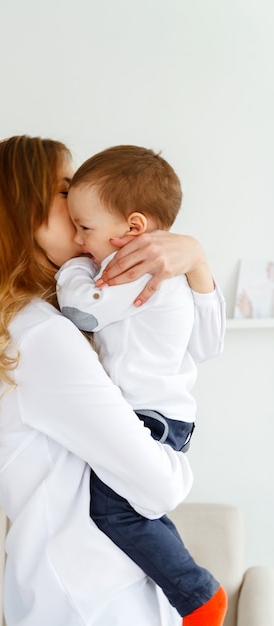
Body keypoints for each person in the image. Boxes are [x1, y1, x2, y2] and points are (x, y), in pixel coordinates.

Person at [0, 135, 226, 626]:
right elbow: (158, 488)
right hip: (92, 598)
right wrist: (175, 460)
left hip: (78, 588)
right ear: (22, 213)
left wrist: (194, 259)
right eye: (64, 190)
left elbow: (194, 341)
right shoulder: (43, 335)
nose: (80, 205)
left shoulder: (33, 324)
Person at [55, 145, 227, 625]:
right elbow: (209, 345)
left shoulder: (131, 269)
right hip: (168, 414)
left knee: (116, 514)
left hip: (147, 415)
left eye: (84, 228)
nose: (76, 236)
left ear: (132, 228)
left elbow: (80, 310)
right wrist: (199, 271)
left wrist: (74, 264)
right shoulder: (167, 272)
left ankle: (197, 595)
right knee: (132, 509)